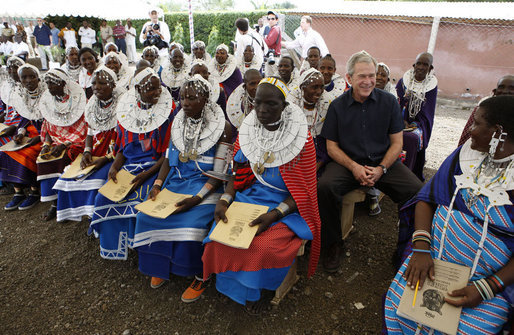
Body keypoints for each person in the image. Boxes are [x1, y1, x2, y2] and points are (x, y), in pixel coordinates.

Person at [385, 95, 514, 334]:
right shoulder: (465, 156)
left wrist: (486, 288)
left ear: (498, 133)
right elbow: (427, 199)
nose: (470, 130)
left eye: (477, 124)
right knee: (400, 308)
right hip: (434, 261)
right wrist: (422, 248)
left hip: (487, 283)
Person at [202, 76, 321, 314]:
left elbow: (306, 192)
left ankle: (259, 291)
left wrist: (275, 215)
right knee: (219, 236)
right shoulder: (248, 132)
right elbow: (237, 174)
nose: (263, 110)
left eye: (271, 105)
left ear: (285, 106)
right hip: (250, 198)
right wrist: (225, 201)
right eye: (258, 103)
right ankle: (232, 288)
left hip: (286, 208)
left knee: (260, 247)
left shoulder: (303, 140)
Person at [317, 50, 423, 273]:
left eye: (371, 75)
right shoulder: (337, 106)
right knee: (324, 187)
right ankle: (333, 243)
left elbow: (397, 143)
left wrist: (381, 169)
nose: (368, 81)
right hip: (347, 163)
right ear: (349, 78)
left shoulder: (389, 102)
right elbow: (331, 147)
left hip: (383, 162)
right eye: (361, 76)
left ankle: (405, 249)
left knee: (418, 192)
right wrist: (354, 167)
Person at [133, 74, 231, 299]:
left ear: (206, 99)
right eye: (183, 98)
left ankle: (199, 276)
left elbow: (218, 174)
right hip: (176, 182)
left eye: (192, 98)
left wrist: (197, 199)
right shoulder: (179, 121)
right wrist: (157, 186)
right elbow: (168, 159)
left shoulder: (223, 127)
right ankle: (160, 266)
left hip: (205, 188)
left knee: (191, 222)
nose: (185, 103)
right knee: (146, 216)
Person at [89, 66, 173, 260]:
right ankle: (117, 245)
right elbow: (121, 149)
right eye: (150, 88)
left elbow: (166, 155)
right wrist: (114, 168)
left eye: (158, 87)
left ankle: (138, 244)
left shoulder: (167, 114)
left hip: (155, 168)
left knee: (142, 198)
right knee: (104, 198)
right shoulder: (125, 116)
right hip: (129, 168)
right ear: (138, 91)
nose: (156, 92)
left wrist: (147, 174)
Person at [54, 66, 121, 223]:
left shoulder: (122, 104)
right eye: (94, 83)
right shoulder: (92, 103)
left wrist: (106, 158)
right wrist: (87, 152)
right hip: (97, 149)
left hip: (115, 153)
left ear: (113, 84)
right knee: (68, 179)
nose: (97, 87)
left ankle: (97, 218)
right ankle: (83, 213)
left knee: (97, 179)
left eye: (102, 83)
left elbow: (122, 140)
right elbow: (90, 132)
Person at [37, 69, 87, 221]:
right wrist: (46, 144)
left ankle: (66, 203)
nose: (49, 87)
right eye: (48, 83)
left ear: (63, 83)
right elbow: (47, 126)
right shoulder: (50, 103)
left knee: (63, 158)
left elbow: (84, 130)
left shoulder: (78, 101)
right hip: (56, 141)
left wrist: (65, 144)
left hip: (76, 141)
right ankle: (55, 202)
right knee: (43, 158)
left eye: (52, 83)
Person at [3, 63, 45, 211]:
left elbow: (53, 121)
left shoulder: (46, 95)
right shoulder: (24, 97)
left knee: (27, 155)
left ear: (38, 78)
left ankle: (34, 191)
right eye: (24, 78)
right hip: (29, 132)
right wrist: (20, 134)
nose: (28, 81)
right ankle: (18, 192)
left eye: (32, 77)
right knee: (7, 151)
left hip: (45, 134)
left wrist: (40, 137)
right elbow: (24, 119)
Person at [396, 52, 437, 181]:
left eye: (425, 64)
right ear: (414, 65)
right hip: (398, 120)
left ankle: (406, 176)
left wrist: (414, 125)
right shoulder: (403, 82)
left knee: (411, 138)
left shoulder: (431, 87)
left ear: (430, 68)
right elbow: (396, 103)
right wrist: (400, 120)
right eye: (418, 63)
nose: (421, 67)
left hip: (418, 124)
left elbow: (427, 113)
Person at [289, 68, 338, 172]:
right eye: (314, 87)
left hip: (320, 154)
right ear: (303, 88)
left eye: (321, 87)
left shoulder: (328, 103)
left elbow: (326, 143)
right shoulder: (290, 105)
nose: (319, 92)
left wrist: (317, 165)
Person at [458, 75, 514, 147]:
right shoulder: (483, 109)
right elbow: (466, 136)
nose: (505, 91)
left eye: (512, 88)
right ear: (495, 91)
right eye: (501, 87)